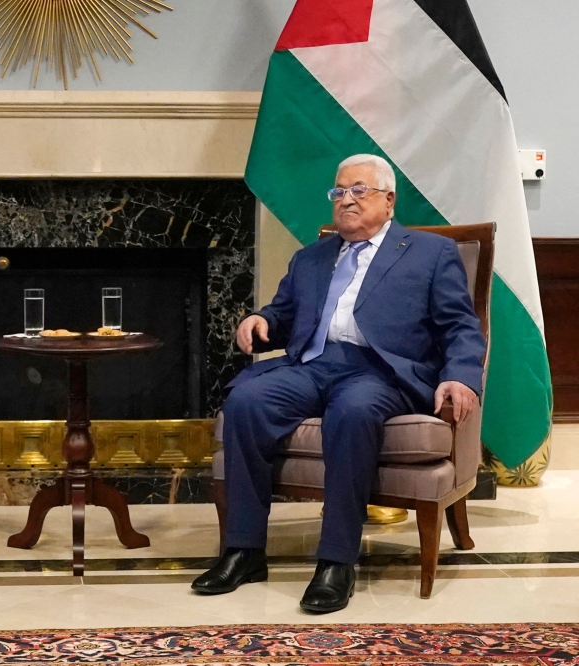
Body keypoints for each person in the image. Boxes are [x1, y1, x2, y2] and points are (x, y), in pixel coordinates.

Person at [192, 154, 485, 613]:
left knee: (352, 411)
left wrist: (460, 376)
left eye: (359, 190)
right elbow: (283, 315)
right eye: (339, 192)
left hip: (380, 371)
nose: (346, 199)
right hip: (313, 365)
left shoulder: (430, 253)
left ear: (389, 201)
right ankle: (243, 550)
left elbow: (460, 326)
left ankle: (336, 561)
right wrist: (261, 320)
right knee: (247, 400)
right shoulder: (311, 258)